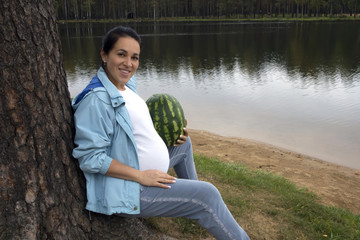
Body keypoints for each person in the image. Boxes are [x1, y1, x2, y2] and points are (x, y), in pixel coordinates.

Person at [72, 26, 250, 240]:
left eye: (134, 57)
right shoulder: (96, 99)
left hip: (145, 174)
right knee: (208, 194)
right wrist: (141, 176)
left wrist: (173, 129)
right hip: (130, 191)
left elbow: (134, 129)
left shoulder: (125, 86)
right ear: (104, 54)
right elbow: (90, 158)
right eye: (121, 54)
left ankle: (194, 201)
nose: (128, 63)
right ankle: (205, 207)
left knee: (183, 143)